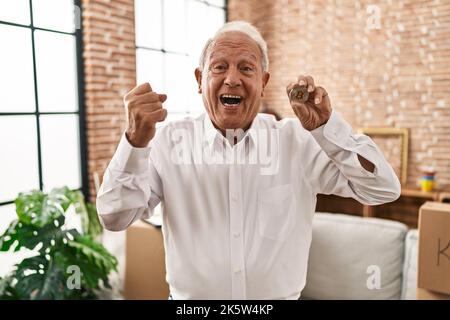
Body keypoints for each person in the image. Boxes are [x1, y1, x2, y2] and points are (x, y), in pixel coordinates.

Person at [96, 21, 400, 300]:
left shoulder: (297, 141)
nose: (232, 79)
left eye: (246, 68)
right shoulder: (168, 143)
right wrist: (134, 143)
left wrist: (327, 128)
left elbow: (382, 189)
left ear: (263, 81)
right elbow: (114, 216)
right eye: (219, 67)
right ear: (200, 79)